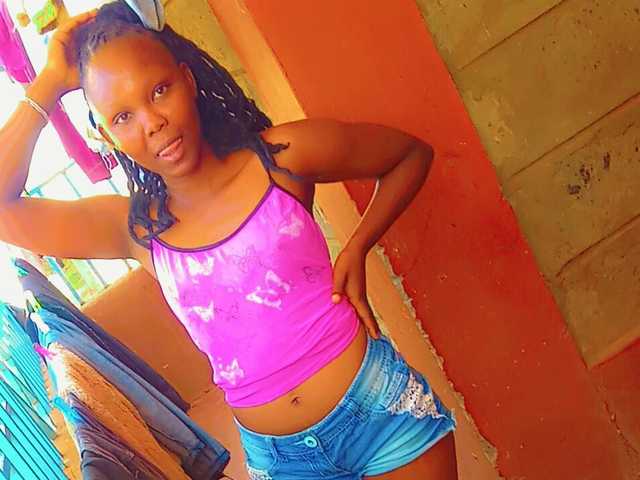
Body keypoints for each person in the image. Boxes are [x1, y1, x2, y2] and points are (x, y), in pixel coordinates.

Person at [0, 2, 457, 479]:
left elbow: (408, 156)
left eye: (159, 91)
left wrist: (358, 245)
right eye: (122, 117)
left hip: (382, 414)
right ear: (105, 136)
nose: (152, 122)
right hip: (282, 462)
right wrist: (50, 82)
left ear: (187, 79)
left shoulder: (279, 159)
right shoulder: (136, 229)